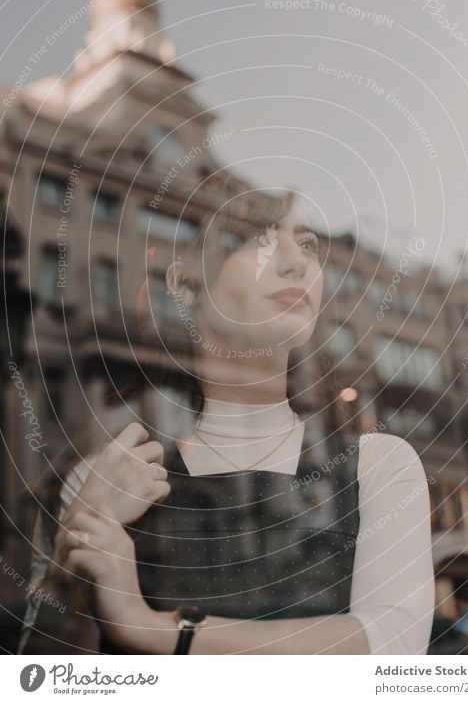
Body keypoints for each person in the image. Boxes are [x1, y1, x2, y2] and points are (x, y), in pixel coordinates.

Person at [18, 174, 434, 655]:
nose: (297, 262)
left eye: (307, 245)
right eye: (254, 241)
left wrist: (153, 627)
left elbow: (394, 644)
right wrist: (69, 578)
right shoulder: (105, 482)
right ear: (185, 285)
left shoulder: (379, 465)